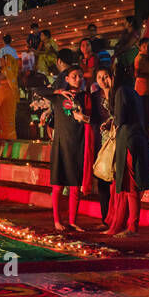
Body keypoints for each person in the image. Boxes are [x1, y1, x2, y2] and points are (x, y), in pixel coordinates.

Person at [97, 65, 149, 236]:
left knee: (130, 187)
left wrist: (110, 122)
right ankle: (130, 225)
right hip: (138, 138)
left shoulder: (120, 92)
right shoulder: (133, 91)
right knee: (132, 186)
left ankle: (132, 227)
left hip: (127, 139)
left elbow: (120, 118)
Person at [48, 65, 87, 231]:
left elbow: (92, 117)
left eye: (80, 76)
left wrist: (83, 117)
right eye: (74, 76)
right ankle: (57, 221)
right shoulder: (58, 97)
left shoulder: (85, 97)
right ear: (66, 78)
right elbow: (39, 90)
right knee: (58, 185)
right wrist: (58, 92)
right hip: (61, 145)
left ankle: (73, 221)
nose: (78, 79)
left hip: (77, 144)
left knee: (75, 186)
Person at [0, 45, 19, 141]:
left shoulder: (6, 70)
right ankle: (7, 136)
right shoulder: (10, 70)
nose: (0, 61)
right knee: (7, 116)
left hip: (5, 96)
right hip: (6, 95)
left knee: (5, 116)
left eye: (1, 60)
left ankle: (6, 136)